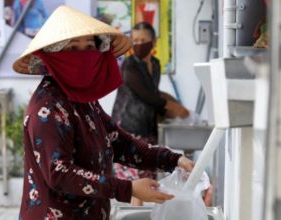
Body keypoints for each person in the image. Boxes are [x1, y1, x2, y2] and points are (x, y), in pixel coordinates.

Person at [12, 6, 194, 220]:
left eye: (90, 47)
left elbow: (121, 144)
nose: (82, 56)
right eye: (72, 48)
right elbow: (59, 173)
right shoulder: (47, 108)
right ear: (53, 56)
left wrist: (173, 159)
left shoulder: (84, 100)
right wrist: (128, 188)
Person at [111, 22, 189, 205]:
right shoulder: (129, 66)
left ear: (153, 42)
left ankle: (139, 215)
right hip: (128, 127)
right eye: (135, 40)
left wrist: (176, 105)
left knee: (148, 181)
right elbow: (147, 96)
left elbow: (154, 92)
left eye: (143, 40)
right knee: (135, 186)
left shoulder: (155, 64)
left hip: (148, 128)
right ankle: (133, 216)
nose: (138, 44)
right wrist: (172, 108)